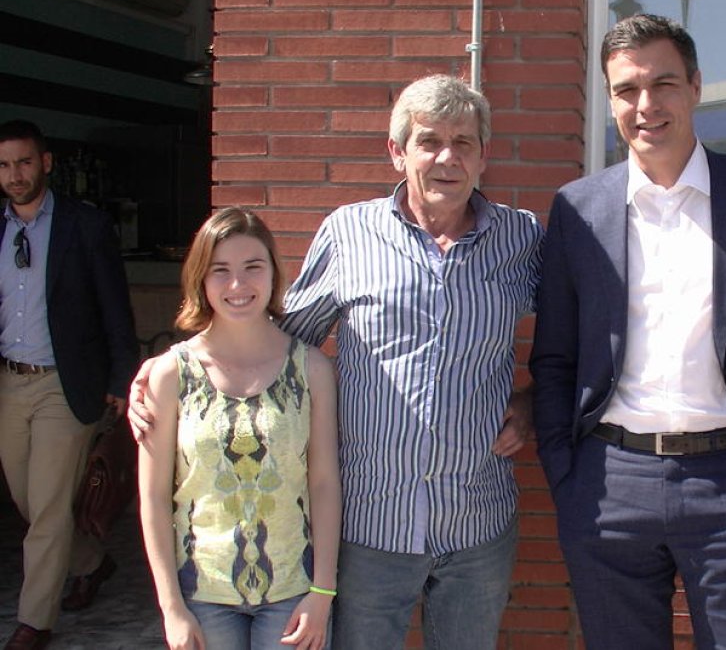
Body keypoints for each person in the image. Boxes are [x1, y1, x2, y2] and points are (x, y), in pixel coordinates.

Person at [131, 74, 544, 649]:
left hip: (476, 522)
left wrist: (532, 400)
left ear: (483, 155)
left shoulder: (519, 239)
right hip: (369, 526)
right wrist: (176, 367)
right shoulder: (350, 233)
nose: (447, 157)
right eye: (428, 141)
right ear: (397, 152)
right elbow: (277, 339)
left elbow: (570, 338)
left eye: (464, 142)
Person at [530, 14, 726, 650]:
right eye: (626, 90)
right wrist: (567, 467)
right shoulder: (579, 208)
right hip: (608, 484)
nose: (645, 105)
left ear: (695, 85)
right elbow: (554, 355)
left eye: (662, 83)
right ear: (610, 99)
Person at [138, 207, 340, 650]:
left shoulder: (311, 368)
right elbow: (153, 497)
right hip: (202, 592)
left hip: (292, 589)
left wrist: (322, 592)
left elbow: (324, 483)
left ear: (273, 273)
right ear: (200, 279)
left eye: (253, 267)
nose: (237, 285)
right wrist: (171, 606)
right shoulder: (171, 373)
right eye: (220, 271)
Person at [0, 120, 139, 650]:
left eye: (25, 162)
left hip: (65, 384)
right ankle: (93, 562)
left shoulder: (84, 225)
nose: (15, 175)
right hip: (10, 381)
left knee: (50, 506)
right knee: (31, 503)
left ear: (46, 163)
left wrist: (120, 377)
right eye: (6, 165)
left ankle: (35, 621)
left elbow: (113, 307)